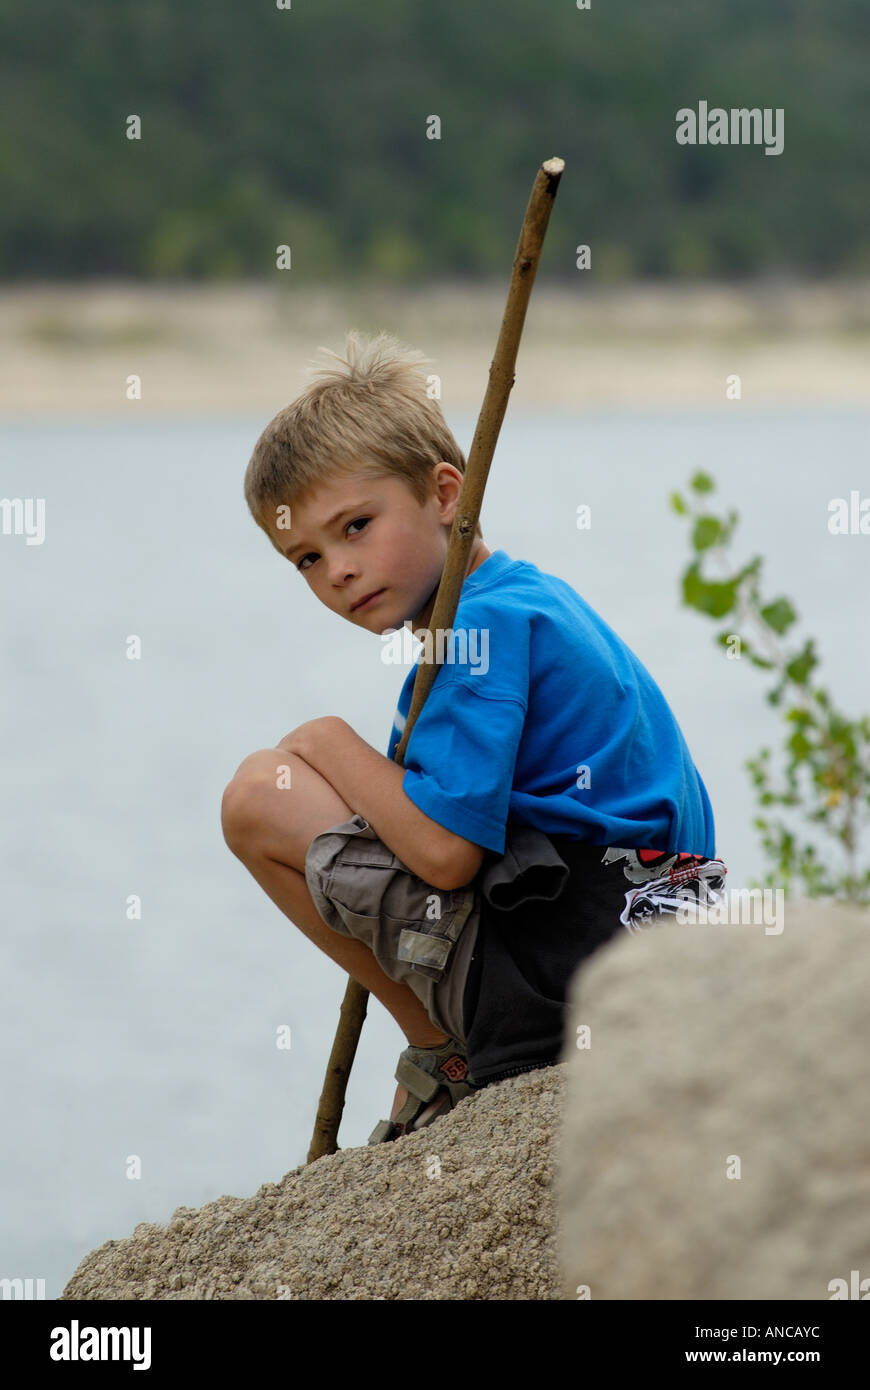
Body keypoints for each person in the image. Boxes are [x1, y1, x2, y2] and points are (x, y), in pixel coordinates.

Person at [221, 330, 728, 1143]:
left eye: (356, 526)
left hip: (581, 954)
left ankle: (439, 1049)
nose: (336, 571)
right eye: (306, 557)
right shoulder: (525, 598)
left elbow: (449, 855)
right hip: (653, 919)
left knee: (257, 796)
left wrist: (328, 740)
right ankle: (441, 1043)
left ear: (445, 494)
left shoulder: (479, 626)